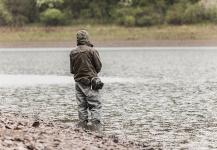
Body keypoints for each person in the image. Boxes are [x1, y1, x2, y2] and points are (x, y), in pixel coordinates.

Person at [69, 30, 102, 131]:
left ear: (78, 39)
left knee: (81, 105)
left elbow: (72, 70)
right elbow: (98, 67)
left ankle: (82, 126)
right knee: (95, 104)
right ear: (87, 39)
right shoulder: (92, 51)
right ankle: (96, 128)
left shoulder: (73, 52)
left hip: (78, 83)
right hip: (91, 82)